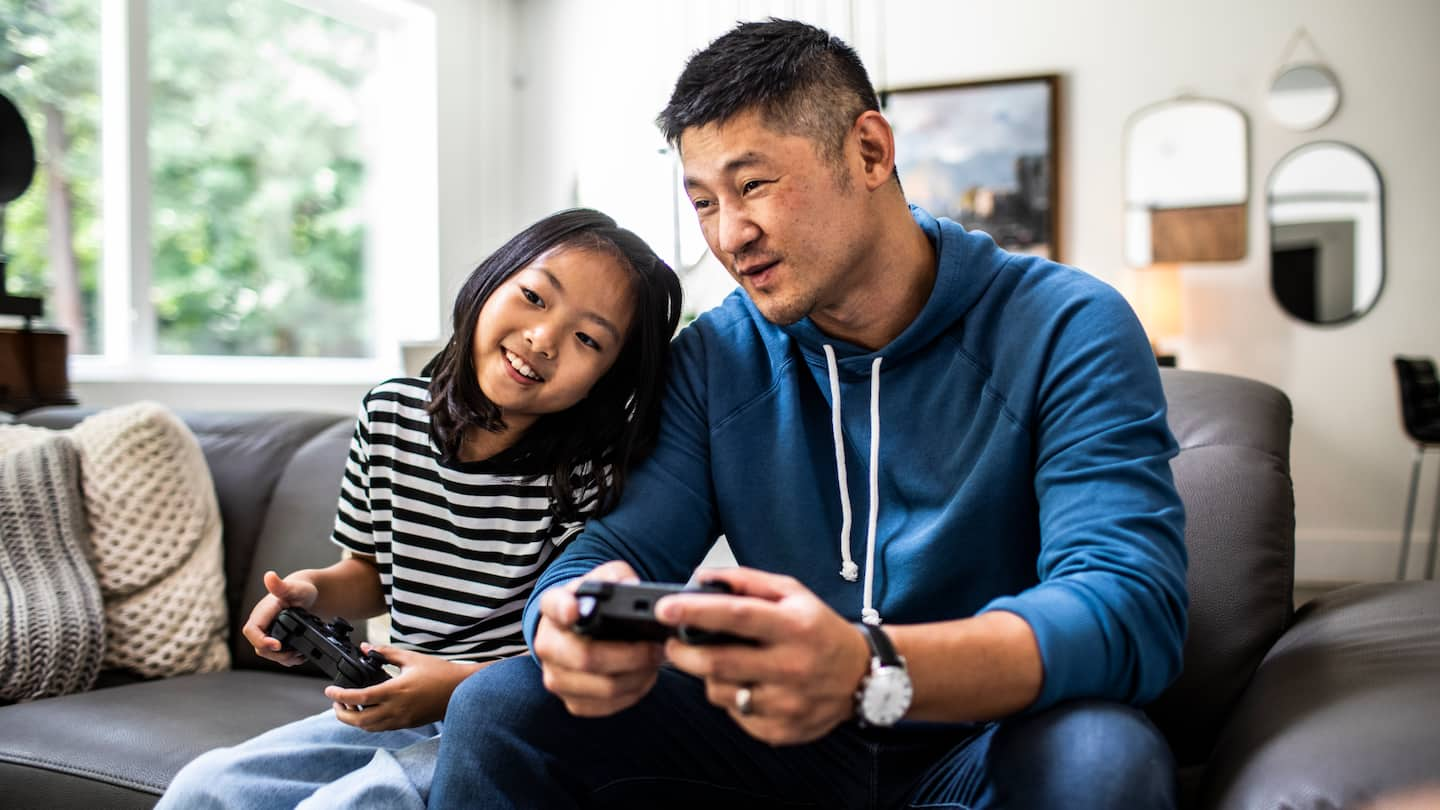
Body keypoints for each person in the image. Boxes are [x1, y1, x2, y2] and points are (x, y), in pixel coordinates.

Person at [431, 19, 1187, 810]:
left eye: (753, 185)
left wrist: (871, 667)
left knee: (1104, 755)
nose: (730, 234)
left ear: (869, 152)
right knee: (501, 707)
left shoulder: (1069, 325)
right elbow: (614, 548)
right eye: (703, 201)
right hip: (777, 746)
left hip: (988, 736)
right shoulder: (716, 357)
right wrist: (565, 618)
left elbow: (1128, 604)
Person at [156, 208, 682, 810]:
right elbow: (370, 575)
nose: (544, 339)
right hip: (397, 702)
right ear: (492, 280)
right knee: (207, 787)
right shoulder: (390, 415)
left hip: (511, 721)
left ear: (606, 379)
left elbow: (576, 649)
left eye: (588, 339)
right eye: (534, 296)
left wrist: (456, 686)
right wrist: (309, 594)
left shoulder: (587, 473)